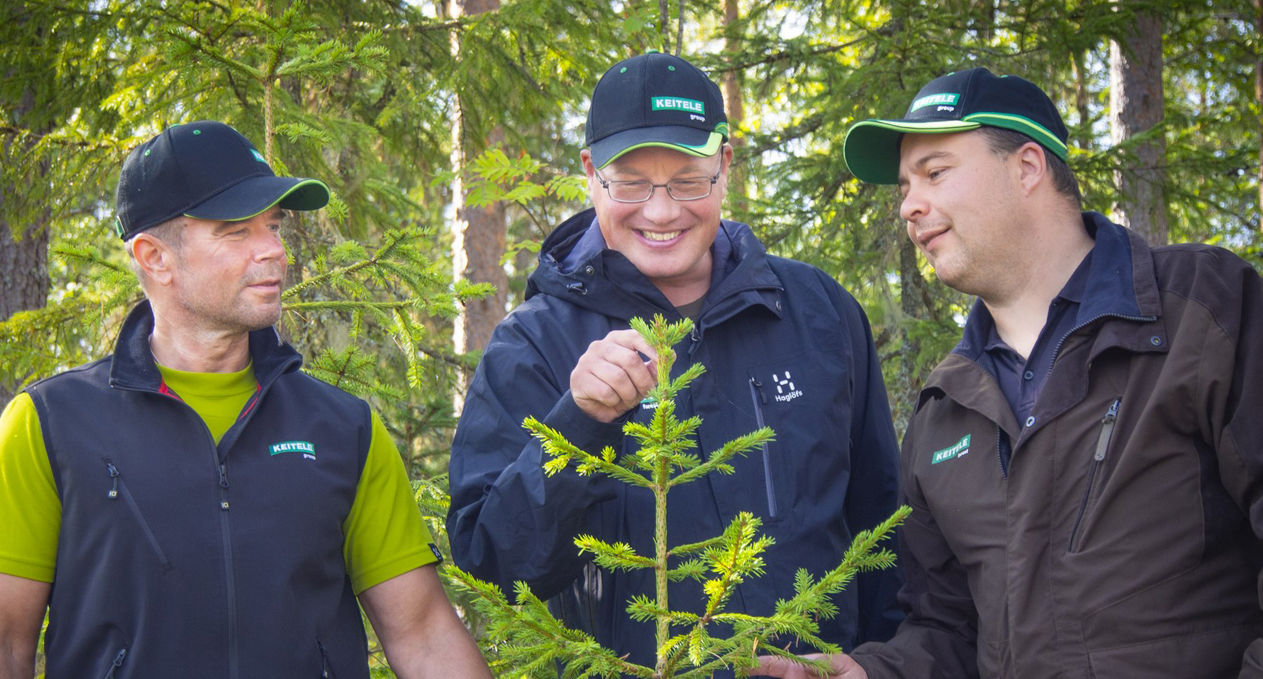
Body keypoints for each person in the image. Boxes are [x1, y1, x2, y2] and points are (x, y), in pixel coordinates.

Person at [758, 67, 1263, 678]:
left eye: (935, 173)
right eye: (904, 187)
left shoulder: (1200, 311)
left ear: (1027, 167)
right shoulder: (944, 413)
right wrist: (871, 674)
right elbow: (948, 629)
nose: (910, 205)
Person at [447, 52, 903, 668]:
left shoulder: (819, 312)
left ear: (726, 166)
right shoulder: (531, 346)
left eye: (689, 178)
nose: (661, 212)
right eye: (631, 181)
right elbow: (494, 567)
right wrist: (577, 425)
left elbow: (884, 531)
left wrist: (880, 666)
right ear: (590, 173)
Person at [0, 121, 491, 679]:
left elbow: (424, 635)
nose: (274, 251)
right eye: (237, 231)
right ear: (154, 256)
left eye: (274, 226)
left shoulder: (343, 429)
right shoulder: (51, 426)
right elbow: (5, 643)